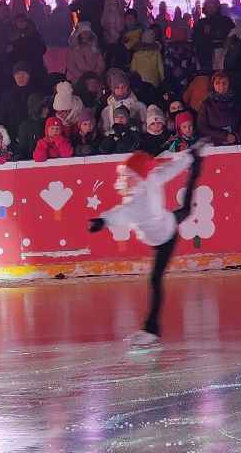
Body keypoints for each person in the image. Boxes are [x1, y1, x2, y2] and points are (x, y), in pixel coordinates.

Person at [87, 143, 205, 349]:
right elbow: (169, 169)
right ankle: (196, 162)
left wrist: (103, 221)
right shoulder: (150, 179)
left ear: (137, 177)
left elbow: (123, 212)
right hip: (165, 222)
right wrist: (187, 157)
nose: (125, 181)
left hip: (165, 237)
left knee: (155, 280)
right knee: (184, 211)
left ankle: (151, 330)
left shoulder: (142, 205)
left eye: (129, 177)